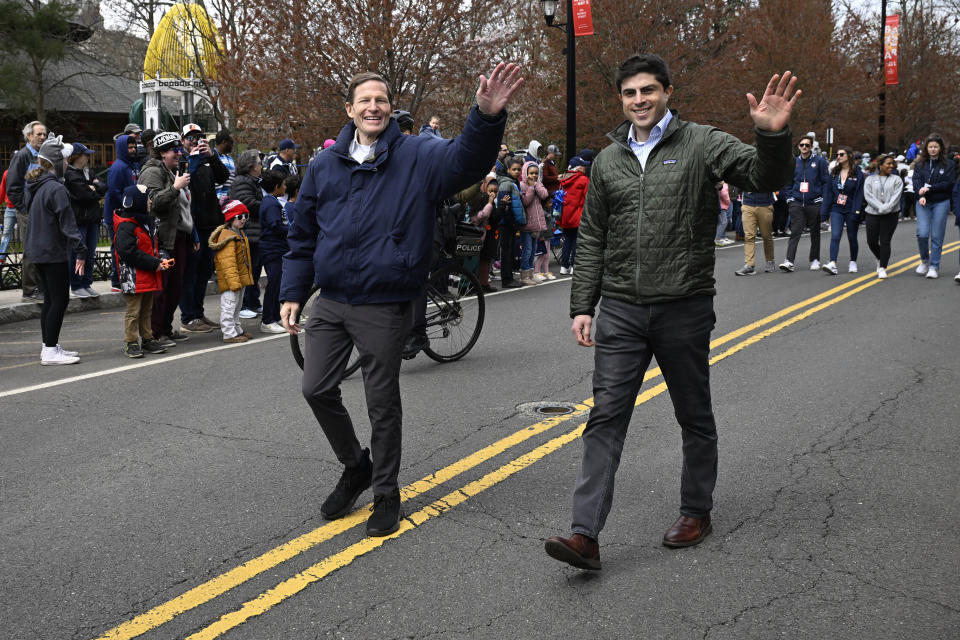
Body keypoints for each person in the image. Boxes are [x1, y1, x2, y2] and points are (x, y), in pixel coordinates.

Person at [544, 54, 797, 570]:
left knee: (693, 415)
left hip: (683, 306)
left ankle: (695, 510)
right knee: (605, 418)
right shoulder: (609, 160)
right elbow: (591, 237)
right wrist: (582, 305)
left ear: (667, 92)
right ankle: (584, 535)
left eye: (648, 91)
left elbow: (760, 175)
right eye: (630, 93)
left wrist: (770, 135)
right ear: (622, 99)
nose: (639, 100)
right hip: (620, 309)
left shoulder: (702, 142)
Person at [279, 63, 521, 537]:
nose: (374, 107)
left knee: (380, 401)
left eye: (382, 100)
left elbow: (465, 162)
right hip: (331, 299)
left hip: (386, 302)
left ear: (391, 109)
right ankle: (357, 466)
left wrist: (487, 117)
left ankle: (386, 492)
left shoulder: (417, 154)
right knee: (316, 389)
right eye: (364, 100)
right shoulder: (324, 165)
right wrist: (291, 294)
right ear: (349, 110)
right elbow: (302, 236)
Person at [22, 134, 87, 365]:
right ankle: (50, 350)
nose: (68, 163)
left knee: (50, 299)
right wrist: (81, 250)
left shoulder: (36, 184)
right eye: (65, 160)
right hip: (51, 251)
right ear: (56, 161)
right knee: (59, 300)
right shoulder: (56, 189)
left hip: (37, 250)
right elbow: (68, 224)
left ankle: (48, 345)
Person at [137, 131, 193, 346]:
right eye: (174, 150)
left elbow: (184, 207)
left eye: (179, 149)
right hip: (162, 238)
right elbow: (153, 203)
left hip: (178, 236)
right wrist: (175, 188)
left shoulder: (171, 171)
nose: (179, 154)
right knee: (162, 288)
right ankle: (155, 332)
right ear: (162, 153)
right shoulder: (152, 172)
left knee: (174, 287)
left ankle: (166, 328)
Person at [179, 123, 229, 332]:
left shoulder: (207, 158)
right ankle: (188, 317)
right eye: (190, 138)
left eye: (198, 137)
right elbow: (185, 183)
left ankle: (198, 313)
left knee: (204, 272)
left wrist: (211, 156)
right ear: (182, 141)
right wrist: (193, 158)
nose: (195, 141)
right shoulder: (182, 161)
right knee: (190, 273)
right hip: (193, 224)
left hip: (210, 222)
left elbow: (224, 177)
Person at [114, 185, 170, 358]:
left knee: (147, 310)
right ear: (137, 202)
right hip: (134, 276)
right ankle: (131, 342)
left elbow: (155, 245)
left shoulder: (147, 221)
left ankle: (147, 338)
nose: (150, 202)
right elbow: (128, 252)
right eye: (147, 199)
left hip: (148, 274)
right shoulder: (126, 226)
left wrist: (162, 257)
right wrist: (154, 263)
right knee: (134, 311)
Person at [7, 120, 48, 300]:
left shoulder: (41, 156)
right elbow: (13, 186)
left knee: (41, 248)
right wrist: (24, 208)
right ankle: (30, 289)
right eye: (38, 134)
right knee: (31, 249)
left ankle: (40, 287)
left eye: (44, 134)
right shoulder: (22, 156)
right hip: (28, 211)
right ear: (28, 136)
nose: (42, 137)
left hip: (41, 211)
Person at [780, 134, 829, 272]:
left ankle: (814, 259)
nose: (804, 147)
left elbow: (825, 182)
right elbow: (788, 182)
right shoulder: (793, 162)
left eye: (807, 145)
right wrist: (789, 198)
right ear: (798, 147)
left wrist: (823, 199)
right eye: (802, 145)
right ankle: (789, 261)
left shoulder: (820, 161)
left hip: (814, 202)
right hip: (796, 201)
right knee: (795, 230)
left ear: (811, 147)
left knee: (814, 231)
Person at [63, 143, 106, 297]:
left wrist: (95, 188)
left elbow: (103, 185)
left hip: (93, 218)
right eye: (85, 154)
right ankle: (76, 284)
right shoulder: (71, 174)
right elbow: (85, 196)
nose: (88, 157)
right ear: (77, 156)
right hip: (79, 219)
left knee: (90, 253)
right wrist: (93, 189)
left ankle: (86, 283)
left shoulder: (88, 171)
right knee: (77, 252)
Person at [209, 198, 254, 343]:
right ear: (230, 217)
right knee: (229, 306)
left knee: (237, 306)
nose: (243, 220)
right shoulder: (227, 237)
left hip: (239, 278)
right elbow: (228, 263)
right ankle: (229, 332)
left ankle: (236, 328)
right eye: (239, 217)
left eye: (246, 216)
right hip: (231, 280)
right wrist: (234, 281)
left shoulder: (239, 234)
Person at [912, 134, 955, 279]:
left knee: (937, 236)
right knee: (922, 234)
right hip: (924, 202)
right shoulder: (920, 164)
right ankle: (925, 260)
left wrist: (930, 189)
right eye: (930, 147)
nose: (933, 149)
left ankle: (934, 266)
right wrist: (920, 195)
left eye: (936, 147)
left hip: (941, 202)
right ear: (926, 148)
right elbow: (916, 181)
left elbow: (948, 183)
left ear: (941, 148)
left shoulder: (949, 164)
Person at [228, 149, 264, 320]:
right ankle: (245, 305)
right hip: (248, 230)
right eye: (258, 163)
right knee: (248, 269)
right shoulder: (242, 182)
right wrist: (268, 204)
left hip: (255, 231)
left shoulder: (254, 181)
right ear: (251, 166)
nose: (261, 166)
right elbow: (247, 204)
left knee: (255, 270)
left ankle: (253, 302)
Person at [820, 146, 864, 275]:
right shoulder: (834, 173)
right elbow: (828, 193)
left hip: (851, 208)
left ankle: (853, 261)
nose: (838, 156)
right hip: (836, 208)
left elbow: (859, 194)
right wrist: (824, 212)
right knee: (835, 235)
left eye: (841, 154)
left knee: (852, 236)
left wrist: (857, 210)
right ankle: (833, 263)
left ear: (849, 156)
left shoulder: (858, 172)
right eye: (837, 154)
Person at [105, 134, 141, 291]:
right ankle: (116, 280)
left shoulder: (134, 165)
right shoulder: (118, 167)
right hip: (117, 215)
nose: (133, 150)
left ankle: (128, 277)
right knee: (118, 247)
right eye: (129, 147)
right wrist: (128, 206)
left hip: (130, 214)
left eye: (134, 147)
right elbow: (114, 191)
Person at [862, 154, 903, 279]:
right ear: (880, 165)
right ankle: (880, 257)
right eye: (888, 164)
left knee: (885, 241)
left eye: (892, 164)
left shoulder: (897, 179)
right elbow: (868, 196)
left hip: (891, 214)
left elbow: (896, 196)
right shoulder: (870, 179)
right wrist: (880, 206)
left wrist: (887, 208)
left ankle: (882, 267)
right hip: (872, 213)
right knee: (871, 241)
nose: (891, 166)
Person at [257, 170, 288, 333]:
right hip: (273, 249)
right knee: (274, 284)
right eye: (283, 184)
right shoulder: (271, 203)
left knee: (277, 284)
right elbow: (275, 226)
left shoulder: (271, 201)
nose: (285, 187)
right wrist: (292, 229)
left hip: (275, 248)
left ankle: (275, 317)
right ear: (276, 187)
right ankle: (267, 320)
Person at [557, 154, 590, 275]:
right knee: (577, 241)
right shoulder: (584, 180)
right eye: (583, 166)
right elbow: (588, 198)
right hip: (578, 215)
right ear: (577, 168)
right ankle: (574, 265)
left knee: (567, 240)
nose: (585, 168)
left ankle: (564, 266)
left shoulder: (563, 179)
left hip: (565, 215)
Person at [519, 160, 548, 285]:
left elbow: (544, 195)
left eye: (536, 173)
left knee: (533, 250)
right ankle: (524, 275)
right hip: (527, 224)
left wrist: (537, 185)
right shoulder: (522, 185)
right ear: (525, 173)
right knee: (527, 250)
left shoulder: (538, 184)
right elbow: (525, 202)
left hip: (537, 224)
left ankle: (531, 274)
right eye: (531, 173)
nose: (534, 176)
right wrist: (531, 187)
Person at [735, 191, 776, 275]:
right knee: (748, 236)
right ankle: (749, 264)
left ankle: (770, 260)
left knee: (766, 235)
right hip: (748, 204)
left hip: (765, 204)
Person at [214, 129, 236, 200]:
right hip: (217, 201)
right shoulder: (212, 156)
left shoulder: (230, 158)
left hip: (230, 200)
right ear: (224, 142)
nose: (233, 145)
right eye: (231, 142)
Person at [0, 170, 15, 263]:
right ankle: (1, 257)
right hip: (10, 207)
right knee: (6, 233)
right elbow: (2, 188)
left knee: (27, 234)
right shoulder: (7, 173)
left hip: (23, 208)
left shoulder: (26, 171)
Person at [715, 182, 733, 247]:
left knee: (720, 222)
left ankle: (719, 238)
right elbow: (724, 194)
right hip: (722, 205)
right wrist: (728, 201)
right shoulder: (723, 183)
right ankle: (717, 239)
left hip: (718, 204)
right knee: (723, 222)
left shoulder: (717, 182)